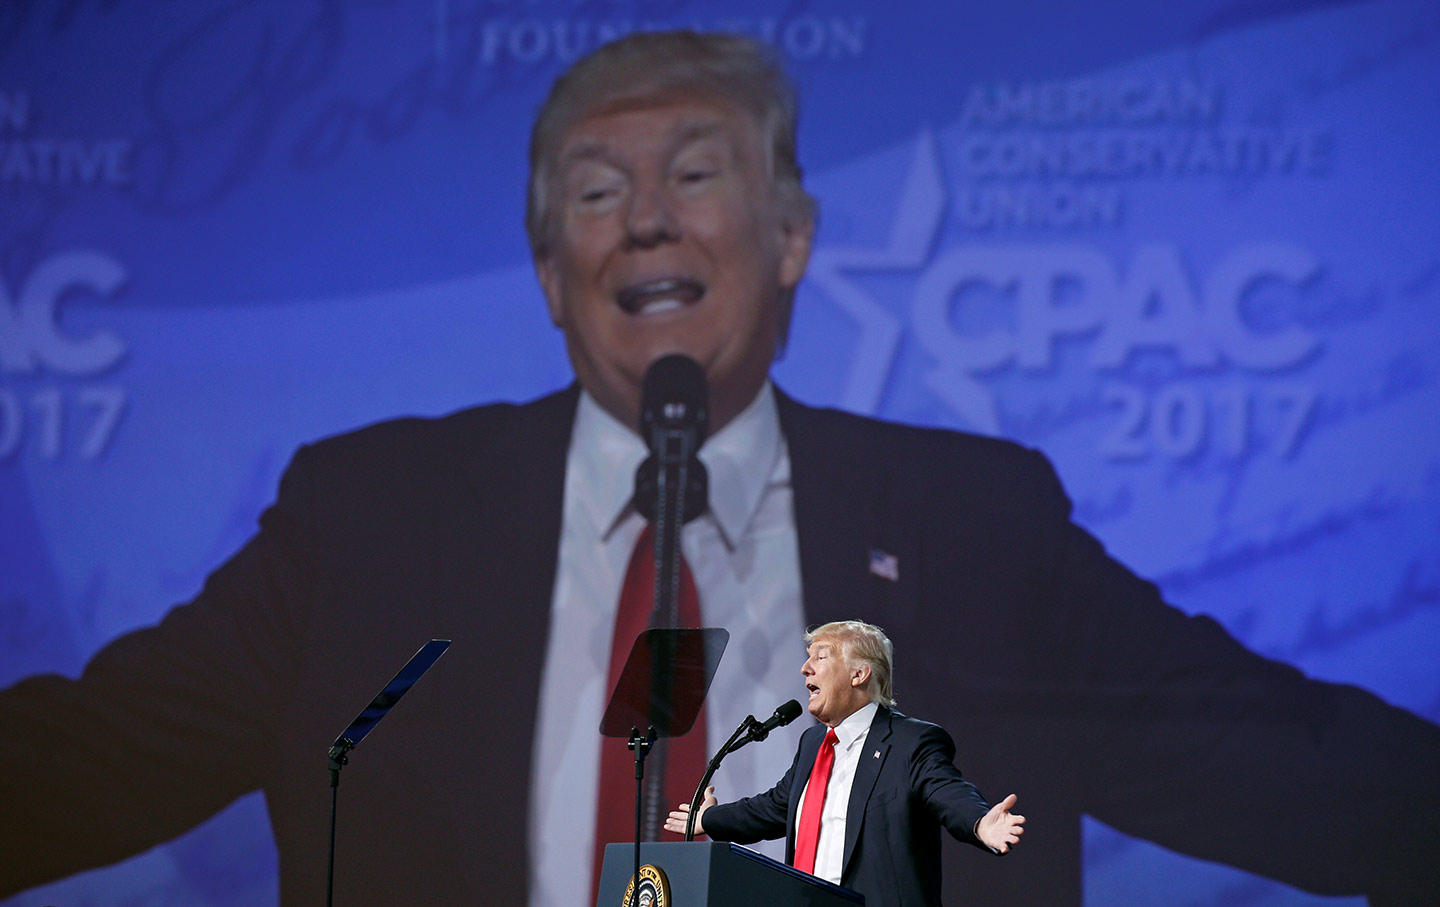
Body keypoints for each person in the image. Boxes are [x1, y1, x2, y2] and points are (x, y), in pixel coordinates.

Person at [2, 29, 1438, 907]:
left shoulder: (971, 522)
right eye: (594, 189)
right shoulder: (366, 518)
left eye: (694, 175)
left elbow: (1271, 753)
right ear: (551, 274)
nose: (643, 221)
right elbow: (87, 758)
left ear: (793, 237)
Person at [664, 620, 1024, 906]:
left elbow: (945, 790)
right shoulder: (812, 744)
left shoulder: (910, 741)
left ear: (859, 674)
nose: (805, 668)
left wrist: (978, 822)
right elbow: (775, 807)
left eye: (821, 657)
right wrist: (708, 819)